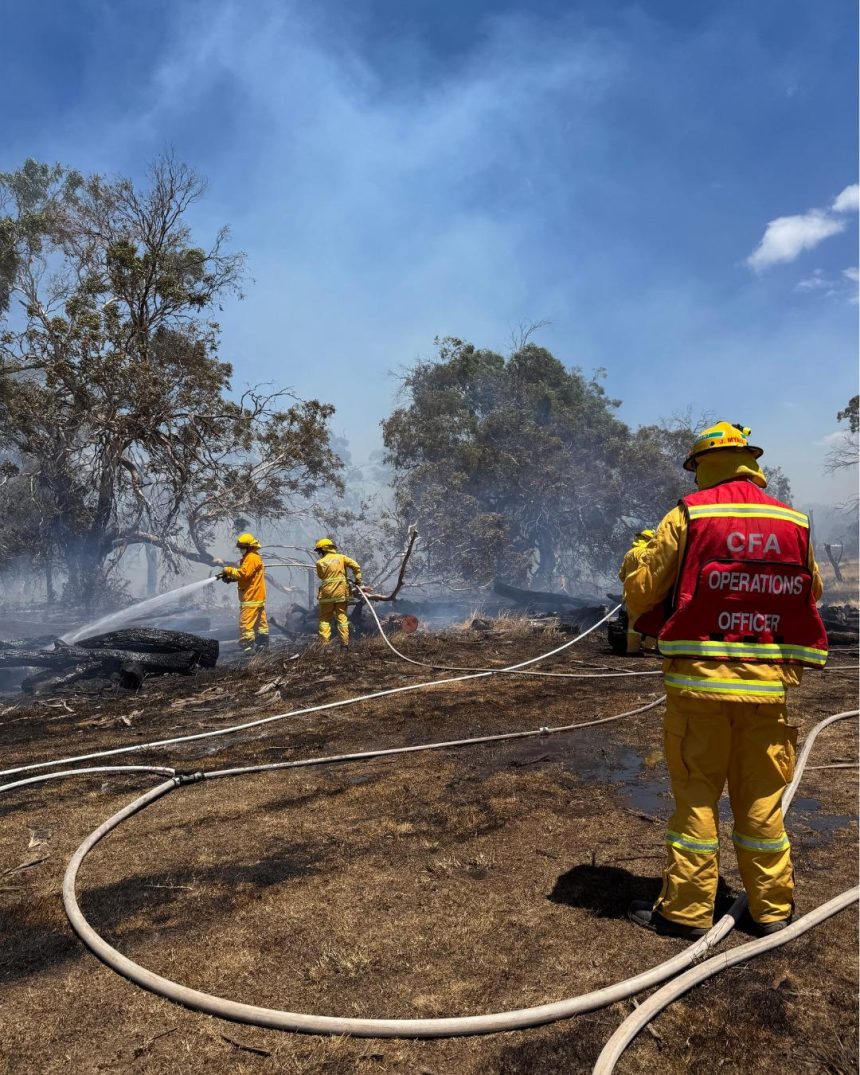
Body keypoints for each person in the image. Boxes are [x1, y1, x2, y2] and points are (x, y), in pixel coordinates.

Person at [623, 422, 827, 939]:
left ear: (701, 466)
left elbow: (644, 590)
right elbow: (811, 592)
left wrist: (639, 553)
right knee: (760, 802)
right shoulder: (792, 520)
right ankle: (772, 910)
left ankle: (687, 913)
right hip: (768, 690)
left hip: (699, 688)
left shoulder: (687, 516)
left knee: (695, 800)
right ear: (750, 462)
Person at [219, 532, 269, 650]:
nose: (241, 550)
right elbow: (247, 578)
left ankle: (247, 649)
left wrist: (229, 570)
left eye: (242, 547)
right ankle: (262, 645)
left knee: (246, 624)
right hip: (257, 597)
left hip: (251, 598)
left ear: (249, 546)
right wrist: (231, 579)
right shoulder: (252, 557)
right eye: (240, 547)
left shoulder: (251, 557)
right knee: (260, 624)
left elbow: (244, 574)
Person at [314, 537, 363, 648]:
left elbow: (321, 576)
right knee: (342, 618)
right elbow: (356, 566)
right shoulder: (341, 558)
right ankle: (344, 644)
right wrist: (358, 580)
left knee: (325, 619)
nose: (319, 553)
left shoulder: (320, 562)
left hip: (326, 595)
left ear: (323, 549)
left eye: (319, 551)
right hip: (341, 594)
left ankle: (324, 644)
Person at [617, 529, 655, 654]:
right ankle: (650, 648)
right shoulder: (649, 553)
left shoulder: (629, 553)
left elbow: (621, 575)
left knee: (633, 624)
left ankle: (632, 650)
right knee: (651, 620)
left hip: (630, 596)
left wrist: (629, 584)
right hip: (647, 593)